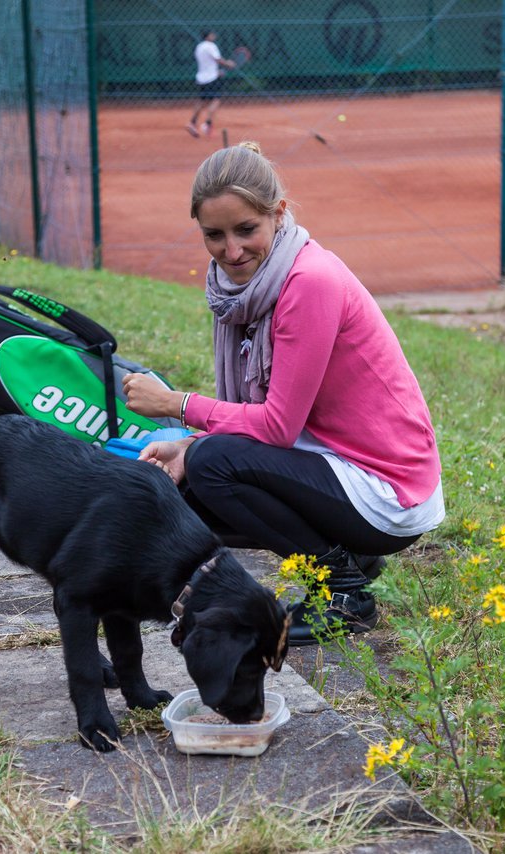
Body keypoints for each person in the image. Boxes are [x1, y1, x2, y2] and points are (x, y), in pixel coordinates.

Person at [122, 142, 445, 645]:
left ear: (278, 215)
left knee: (213, 466)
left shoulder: (309, 281)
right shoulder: (243, 290)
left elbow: (276, 426)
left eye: (246, 230)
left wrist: (176, 406)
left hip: (389, 491)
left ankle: (345, 591)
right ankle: (351, 557)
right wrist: (187, 444)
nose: (231, 252)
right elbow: (264, 418)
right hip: (334, 464)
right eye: (214, 235)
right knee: (188, 488)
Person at [186, 30, 235, 139]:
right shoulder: (211, 46)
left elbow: (207, 63)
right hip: (211, 78)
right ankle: (207, 124)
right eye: (212, 34)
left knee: (202, 101)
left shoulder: (199, 47)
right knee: (216, 100)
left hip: (201, 78)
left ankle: (192, 122)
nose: (214, 36)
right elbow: (218, 60)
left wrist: (217, 71)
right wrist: (228, 64)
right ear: (208, 36)